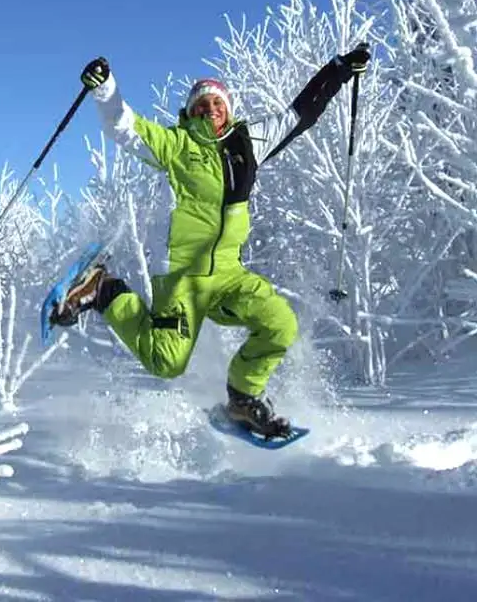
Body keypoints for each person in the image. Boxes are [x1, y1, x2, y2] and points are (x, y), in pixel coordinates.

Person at [50, 45, 371, 437]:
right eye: (202, 104)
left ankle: (242, 399)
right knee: (167, 363)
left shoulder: (248, 141)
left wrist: (338, 70)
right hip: (187, 278)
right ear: (190, 111)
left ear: (228, 109)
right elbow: (123, 126)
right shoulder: (177, 144)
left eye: (217, 102)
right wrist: (106, 89)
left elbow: (301, 113)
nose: (210, 108)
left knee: (280, 325)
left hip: (230, 275)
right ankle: (104, 290)